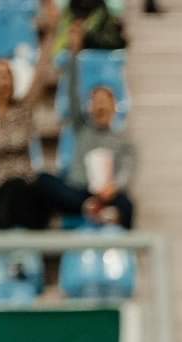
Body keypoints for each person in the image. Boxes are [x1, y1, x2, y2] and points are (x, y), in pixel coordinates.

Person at [33, 22, 137, 228]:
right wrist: (74, 53)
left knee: (128, 206)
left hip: (108, 192)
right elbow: (72, 92)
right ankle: (90, 208)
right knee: (43, 181)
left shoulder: (123, 137)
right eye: (95, 100)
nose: (100, 105)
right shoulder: (82, 127)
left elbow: (128, 169)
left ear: (114, 107)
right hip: (79, 191)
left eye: (104, 101)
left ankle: (106, 215)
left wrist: (113, 187)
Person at [0, 13, 55, 230]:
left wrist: (50, 36)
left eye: (7, 75)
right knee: (14, 186)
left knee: (43, 183)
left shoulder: (22, 111)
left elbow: (41, 75)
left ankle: (84, 203)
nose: (4, 80)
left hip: (24, 193)